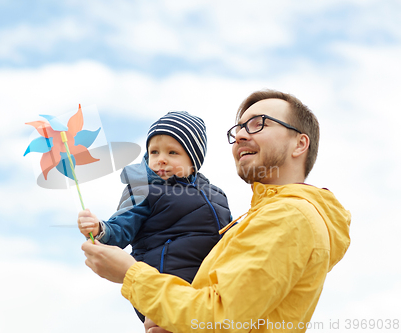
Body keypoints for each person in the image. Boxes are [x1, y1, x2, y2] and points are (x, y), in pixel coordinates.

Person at [82, 90, 351, 333]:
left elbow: (221, 317)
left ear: (300, 144)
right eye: (238, 130)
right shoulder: (260, 216)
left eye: (259, 124)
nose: (242, 135)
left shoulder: (288, 216)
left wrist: (131, 275)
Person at [77, 111, 231, 323]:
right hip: (161, 284)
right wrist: (100, 229)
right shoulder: (144, 190)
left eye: (172, 153)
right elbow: (120, 227)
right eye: (154, 152)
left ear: (194, 161)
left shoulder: (217, 194)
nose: (161, 160)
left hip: (210, 288)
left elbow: (232, 235)